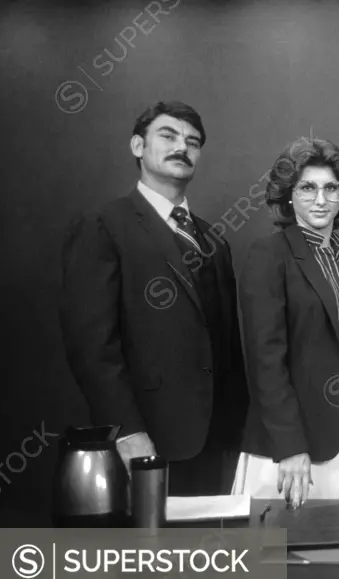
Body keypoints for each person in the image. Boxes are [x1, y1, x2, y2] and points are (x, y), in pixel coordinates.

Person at [59, 101, 248, 496]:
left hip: (215, 443)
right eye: (168, 135)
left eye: (193, 141)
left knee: (208, 555)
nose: (182, 146)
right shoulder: (104, 226)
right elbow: (92, 347)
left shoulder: (215, 240)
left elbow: (228, 346)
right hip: (146, 439)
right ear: (137, 146)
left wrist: (240, 434)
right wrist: (127, 432)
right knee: (151, 556)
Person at [232, 137, 339, 508]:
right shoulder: (269, 254)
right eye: (307, 188)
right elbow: (265, 360)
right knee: (272, 554)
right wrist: (289, 447)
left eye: (331, 188)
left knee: (332, 543)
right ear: (288, 195)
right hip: (289, 430)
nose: (320, 199)